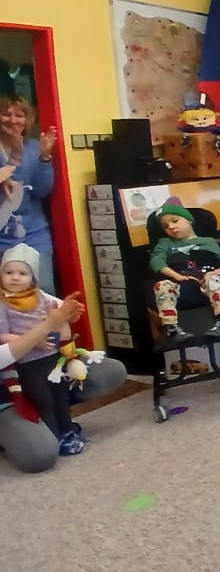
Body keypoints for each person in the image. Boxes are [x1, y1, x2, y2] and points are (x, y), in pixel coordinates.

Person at [0, 245, 126, 457]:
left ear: (33, 278)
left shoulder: (41, 297)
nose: (15, 278)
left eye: (22, 273)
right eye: (8, 272)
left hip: (53, 359)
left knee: (60, 396)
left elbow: (64, 326)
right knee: (43, 400)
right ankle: (54, 435)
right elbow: (3, 337)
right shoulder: (3, 304)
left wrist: (67, 317)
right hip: (27, 364)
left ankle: (67, 430)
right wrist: (36, 339)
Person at [0, 292, 121, 472]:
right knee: (40, 455)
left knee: (109, 372)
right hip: (10, 382)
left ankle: (60, 421)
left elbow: (60, 314)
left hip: (49, 363)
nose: (16, 278)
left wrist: (68, 314)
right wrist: (44, 329)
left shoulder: (23, 290)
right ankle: (36, 424)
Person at [149, 199, 220, 341]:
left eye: (175, 221)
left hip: (205, 280)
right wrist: (176, 276)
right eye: (165, 226)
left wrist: (216, 272)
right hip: (179, 282)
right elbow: (156, 262)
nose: (171, 227)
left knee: (215, 281)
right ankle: (171, 328)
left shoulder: (208, 242)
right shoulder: (165, 243)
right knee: (161, 286)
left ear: (189, 220)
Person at [0, 94, 58, 290]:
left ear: (27, 120)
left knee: (44, 291)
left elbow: (42, 191)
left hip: (34, 234)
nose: (13, 120)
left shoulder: (34, 148)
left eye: (19, 115)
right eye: (5, 114)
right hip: (2, 237)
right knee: (7, 299)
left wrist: (44, 157)